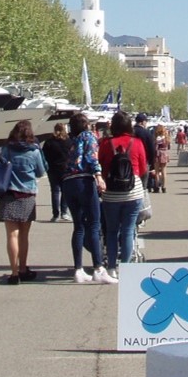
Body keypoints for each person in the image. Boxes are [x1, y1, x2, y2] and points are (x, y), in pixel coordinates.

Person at [60, 112, 117, 285]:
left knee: (78, 226)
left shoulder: (72, 141)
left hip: (68, 182)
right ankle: (98, 268)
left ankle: (78, 269)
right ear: (86, 125)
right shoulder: (89, 138)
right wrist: (99, 176)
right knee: (94, 223)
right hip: (84, 180)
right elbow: (92, 158)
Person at [0, 119, 48, 284]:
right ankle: (23, 268)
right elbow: (41, 172)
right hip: (27, 194)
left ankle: (13, 273)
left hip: (8, 193)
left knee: (11, 235)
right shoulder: (34, 152)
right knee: (24, 235)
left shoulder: (5, 150)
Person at [98, 110, 148, 277]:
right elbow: (142, 168)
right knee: (128, 229)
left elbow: (102, 166)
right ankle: (125, 267)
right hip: (133, 191)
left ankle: (111, 267)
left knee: (111, 230)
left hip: (111, 192)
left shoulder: (106, 143)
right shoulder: (137, 142)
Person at [41, 123, 71, 221]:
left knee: (55, 191)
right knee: (65, 191)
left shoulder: (49, 142)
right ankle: (64, 212)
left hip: (52, 169)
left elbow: (43, 155)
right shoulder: (68, 141)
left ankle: (55, 214)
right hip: (65, 169)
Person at [133, 113, 157, 192]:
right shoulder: (146, 133)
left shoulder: (130, 131)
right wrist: (152, 163)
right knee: (143, 186)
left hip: (131, 161)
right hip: (144, 160)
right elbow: (152, 149)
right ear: (142, 122)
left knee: (132, 184)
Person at [152, 123, 171, 193]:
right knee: (164, 171)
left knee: (157, 171)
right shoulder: (166, 137)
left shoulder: (157, 138)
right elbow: (168, 146)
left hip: (157, 154)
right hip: (164, 154)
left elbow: (155, 147)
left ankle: (157, 186)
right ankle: (164, 187)